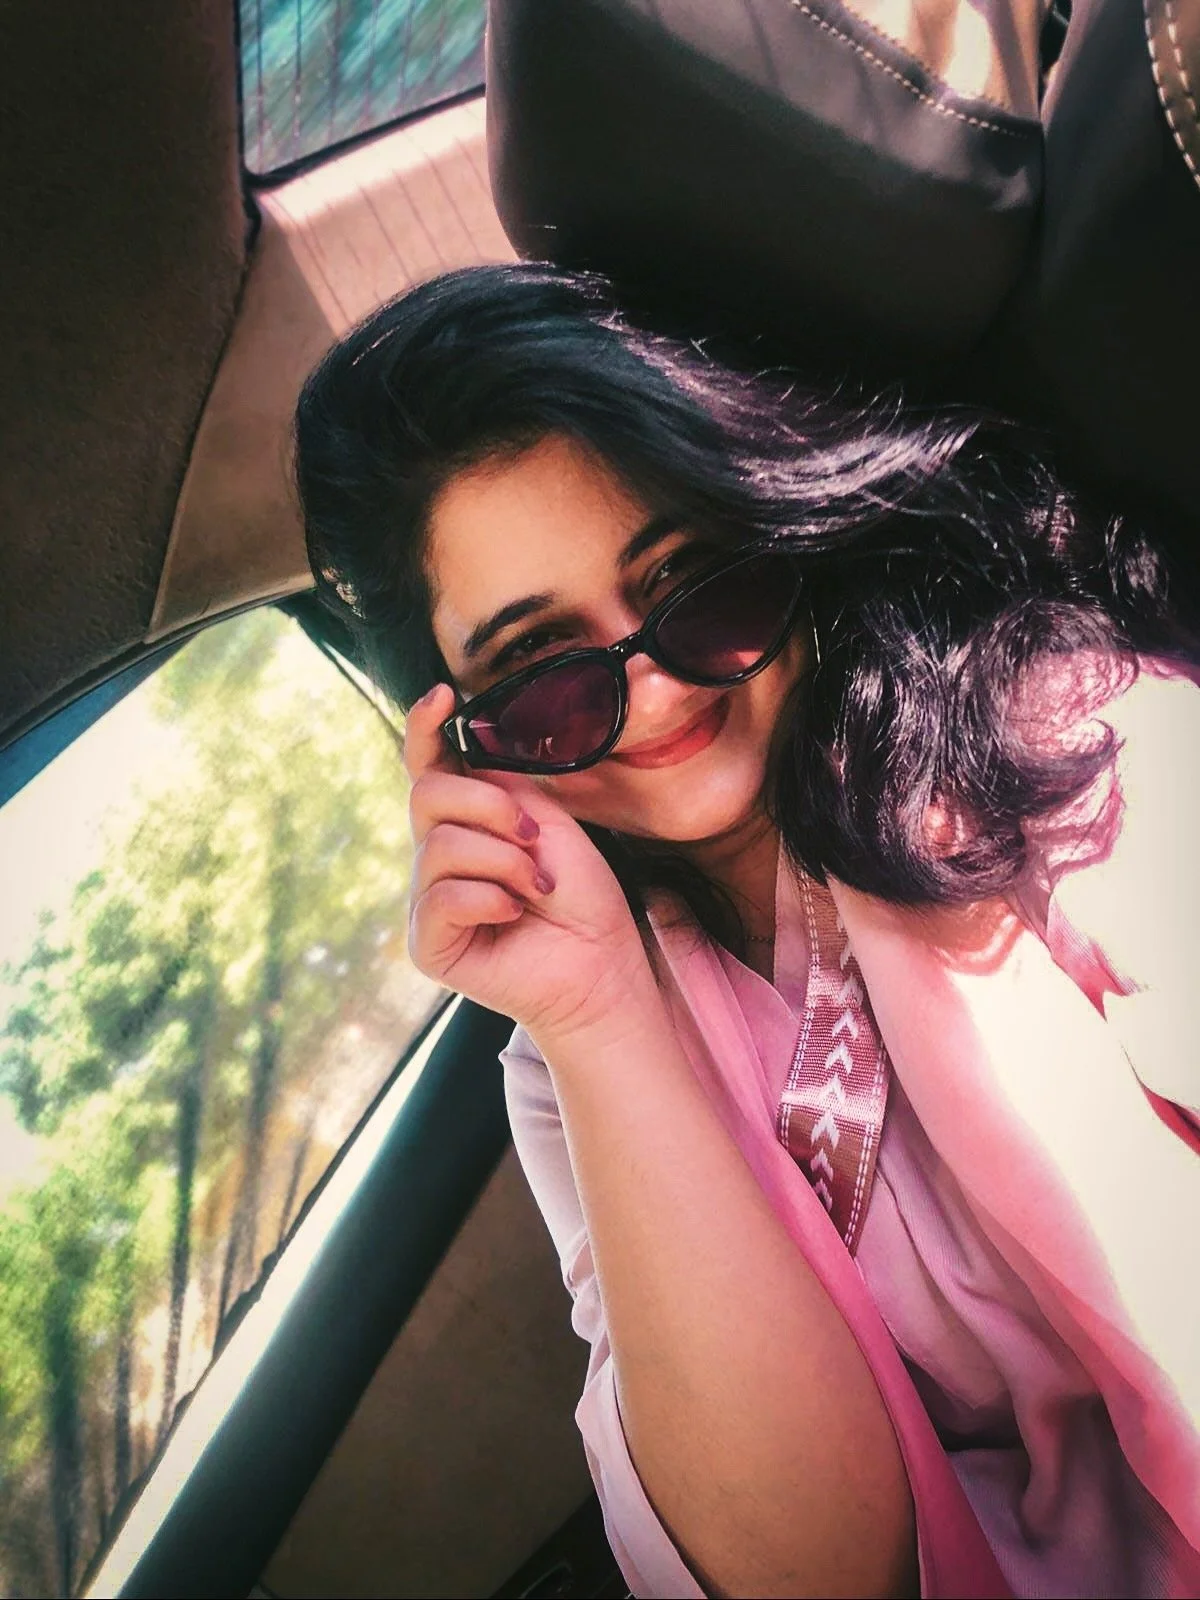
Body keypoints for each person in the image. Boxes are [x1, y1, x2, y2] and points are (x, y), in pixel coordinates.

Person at [293, 263, 1200, 1599]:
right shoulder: (569, 1061)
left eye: (694, 583)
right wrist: (599, 1019)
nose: (649, 686)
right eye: (546, 673)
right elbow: (818, 1571)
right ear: (466, 736)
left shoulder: (1042, 730)